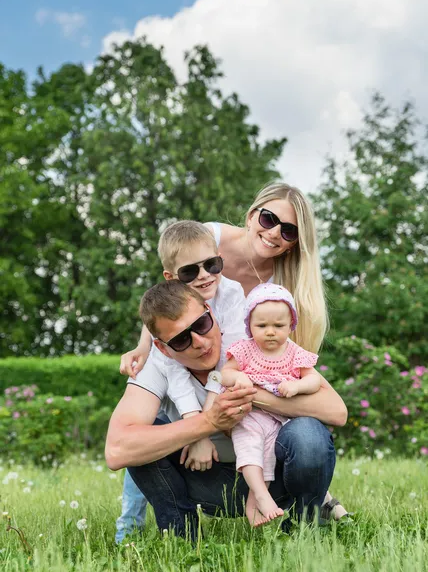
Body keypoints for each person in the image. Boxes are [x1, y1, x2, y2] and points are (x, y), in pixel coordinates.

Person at [120, 182, 348, 521]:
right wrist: (144, 345)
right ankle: (131, 522)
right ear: (252, 214)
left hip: (234, 366)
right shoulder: (207, 238)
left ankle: (302, 500)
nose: (274, 234)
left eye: (288, 232)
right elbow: (167, 302)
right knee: (151, 413)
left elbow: (276, 358)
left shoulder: (279, 285)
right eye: (270, 219)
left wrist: (249, 391)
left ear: (295, 244)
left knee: (273, 423)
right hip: (186, 350)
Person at [106, 281, 347, 539]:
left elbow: (337, 412)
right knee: (144, 438)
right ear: (164, 348)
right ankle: (182, 538)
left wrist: (254, 396)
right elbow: (118, 450)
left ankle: (303, 531)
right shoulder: (156, 365)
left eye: (201, 324)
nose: (199, 342)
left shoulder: (253, 342)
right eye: (181, 339)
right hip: (204, 479)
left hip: (275, 475)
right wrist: (207, 424)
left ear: (210, 311)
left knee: (308, 433)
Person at [114, 220, 246, 540]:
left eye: (212, 264)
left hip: (227, 410)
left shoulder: (230, 294)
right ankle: (131, 527)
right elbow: (160, 333)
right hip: (188, 413)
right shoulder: (165, 335)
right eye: (190, 271)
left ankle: (309, 504)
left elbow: (231, 358)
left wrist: (205, 425)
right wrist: (144, 346)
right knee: (147, 432)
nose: (204, 275)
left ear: (219, 258)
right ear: (172, 278)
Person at [218, 283, 321, 526]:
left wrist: (296, 386)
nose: (270, 332)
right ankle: (263, 498)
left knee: (267, 458)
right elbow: (225, 374)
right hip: (249, 414)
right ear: (249, 325)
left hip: (279, 418)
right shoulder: (245, 349)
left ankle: (254, 505)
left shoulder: (294, 352)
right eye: (261, 326)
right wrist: (239, 377)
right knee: (249, 447)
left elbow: (314, 380)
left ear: (291, 325)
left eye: (279, 326)